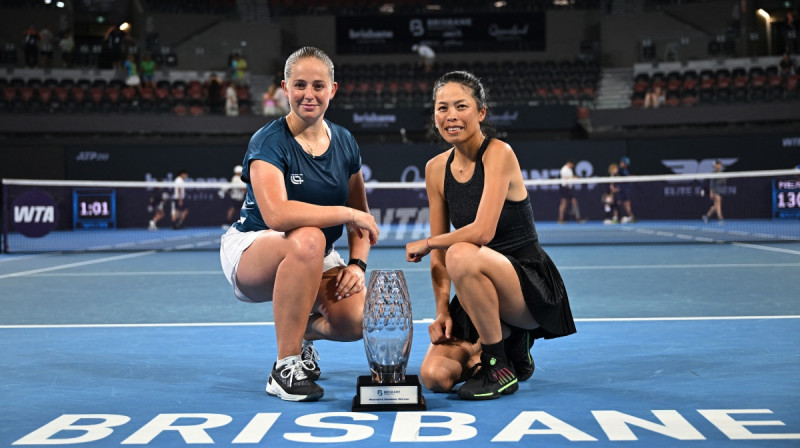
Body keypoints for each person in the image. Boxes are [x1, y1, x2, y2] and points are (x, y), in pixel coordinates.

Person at [219, 46, 380, 402]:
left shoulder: (345, 142)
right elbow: (278, 215)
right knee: (308, 238)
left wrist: (357, 264)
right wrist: (346, 214)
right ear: (285, 88)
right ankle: (285, 366)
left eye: (319, 86)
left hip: (314, 252)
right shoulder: (268, 141)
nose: (310, 94)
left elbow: (362, 219)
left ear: (333, 90)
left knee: (358, 317)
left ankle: (301, 330)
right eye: (300, 85)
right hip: (255, 247)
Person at [405, 71, 576, 401]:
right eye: (442, 108)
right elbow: (440, 258)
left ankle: (498, 365)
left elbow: (481, 232)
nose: (451, 116)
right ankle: (506, 342)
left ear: (481, 112)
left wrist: (427, 243)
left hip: (525, 283)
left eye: (461, 106)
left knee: (460, 252)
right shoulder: (435, 169)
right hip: (475, 287)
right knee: (435, 377)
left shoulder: (499, 152)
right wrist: (442, 312)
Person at [558, 158, 585, 223]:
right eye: (572, 164)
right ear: (569, 163)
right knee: (564, 203)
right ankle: (560, 219)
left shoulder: (569, 170)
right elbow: (566, 178)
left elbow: (570, 178)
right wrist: (574, 178)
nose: (572, 166)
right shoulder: (564, 169)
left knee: (574, 201)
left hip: (569, 188)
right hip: (565, 188)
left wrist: (573, 177)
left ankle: (577, 217)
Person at [702, 159, 725, 224]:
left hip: (720, 191)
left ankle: (706, 216)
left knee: (716, 205)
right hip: (715, 191)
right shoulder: (713, 174)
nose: (718, 165)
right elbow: (711, 184)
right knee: (718, 205)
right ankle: (720, 219)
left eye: (719, 164)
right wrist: (711, 192)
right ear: (714, 166)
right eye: (717, 164)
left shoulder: (722, 173)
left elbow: (723, 182)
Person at [616, 156, 635, 223]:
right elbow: (617, 175)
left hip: (625, 189)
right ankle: (618, 217)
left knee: (627, 203)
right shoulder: (619, 169)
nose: (623, 164)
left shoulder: (626, 169)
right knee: (618, 203)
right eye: (623, 163)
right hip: (621, 189)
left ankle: (631, 216)